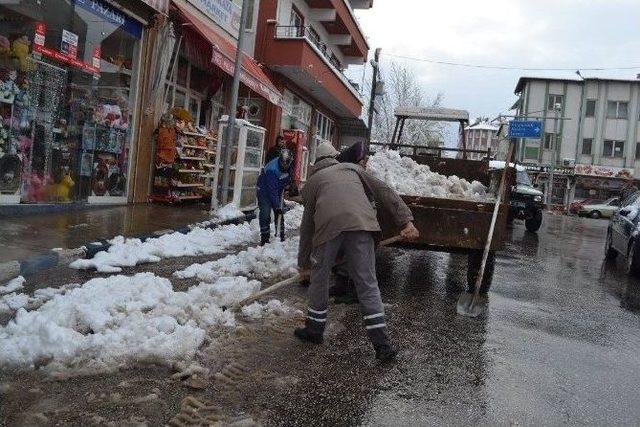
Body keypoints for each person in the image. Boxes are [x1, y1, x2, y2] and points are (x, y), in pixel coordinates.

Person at [295, 142, 419, 362]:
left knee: (320, 278)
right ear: (335, 158)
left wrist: (305, 264)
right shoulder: (353, 169)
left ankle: (314, 330)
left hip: (328, 229)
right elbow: (384, 191)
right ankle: (382, 345)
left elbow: (307, 227)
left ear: (316, 164)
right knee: (367, 282)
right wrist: (406, 221)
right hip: (363, 225)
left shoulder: (312, 183)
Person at [257, 149, 293, 246]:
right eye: (283, 162)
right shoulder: (272, 169)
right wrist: (277, 207)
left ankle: (280, 236)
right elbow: (271, 190)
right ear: (280, 159)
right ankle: (264, 238)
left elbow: (288, 179)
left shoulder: (289, 167)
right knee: (265, 212)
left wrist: (290, 185)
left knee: (279, 214)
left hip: (277, 190)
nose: (285, 164)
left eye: (287, 162)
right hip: (264, 190)